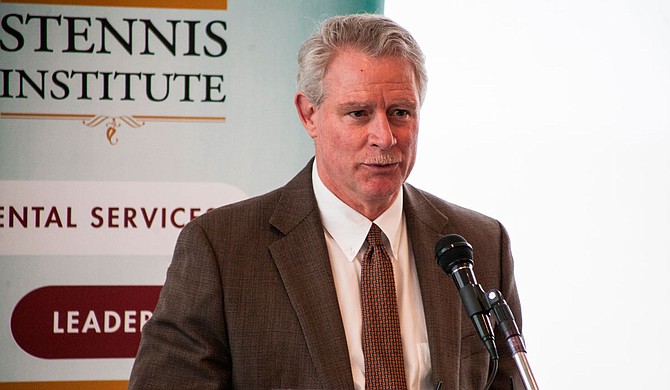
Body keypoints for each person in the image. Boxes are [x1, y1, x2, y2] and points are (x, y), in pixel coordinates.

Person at [129, 13, 523, 390]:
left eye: (400, 112)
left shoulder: (480, 244)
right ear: (309, 115)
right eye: (358, 113)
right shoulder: (221, 249)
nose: (385, 137)